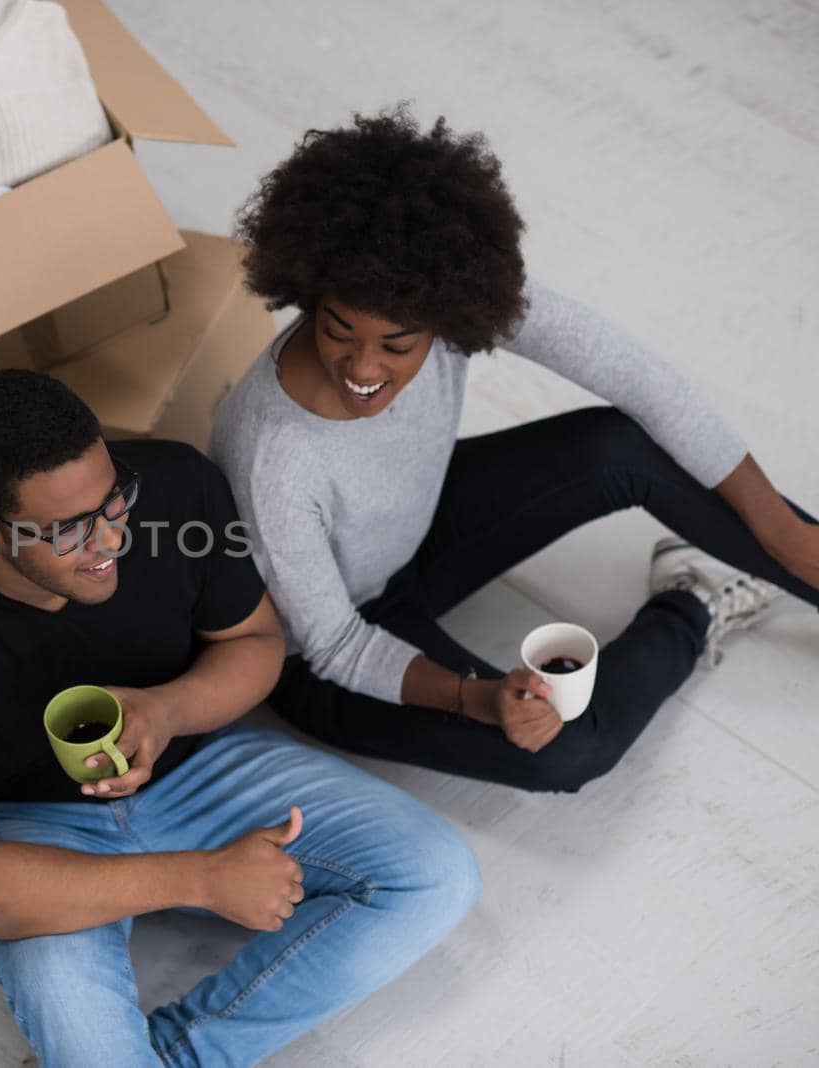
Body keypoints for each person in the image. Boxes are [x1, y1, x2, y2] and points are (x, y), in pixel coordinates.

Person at [0, 370, 480, 1066]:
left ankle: (182, 1052)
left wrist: (169, 710)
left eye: (114, 500)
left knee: (437, 873)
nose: (109, 538)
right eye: (70, 529)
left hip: (197, 768)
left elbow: (256, 643)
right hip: (28, 832)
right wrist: (200, 878)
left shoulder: (178, 486)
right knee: (74, 1014)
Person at [211, 107, 819, 794]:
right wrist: (476, 696)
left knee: (617, 445)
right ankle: (693, 600)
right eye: (338, 330)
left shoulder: (439, 290)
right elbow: (337, 645)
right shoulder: (273, 456)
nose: (363, 367)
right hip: (324, 653)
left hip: (417, 535)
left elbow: (636, 377)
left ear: (441, 317)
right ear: (312, 293)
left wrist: (785, 533)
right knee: (564, 753)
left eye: (397, 345)